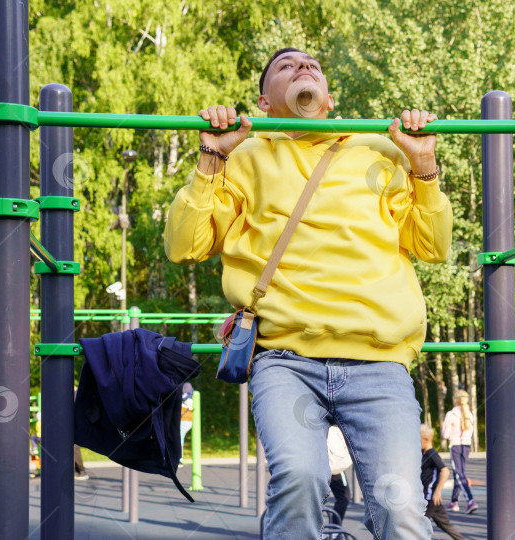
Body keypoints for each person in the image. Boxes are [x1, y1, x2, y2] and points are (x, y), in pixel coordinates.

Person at [165, 48, 452, 538]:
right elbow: (183, 246)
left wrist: (422, 163)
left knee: (401, 506)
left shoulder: (378, 150)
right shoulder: (246, 156)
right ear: (265, 100)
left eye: (313, 65)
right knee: (300, 481)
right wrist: (212, 155)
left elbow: (433, 246)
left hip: (378, 359)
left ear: (328, 98)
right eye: (286, 66)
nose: (303, 68)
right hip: (285, 356)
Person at [420, 424, 466, 540]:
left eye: (418, 439)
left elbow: (445, 471)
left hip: (431, 497)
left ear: (426, 439)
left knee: (419, 525)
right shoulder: (423, 453)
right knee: (444, 524)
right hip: (430, 498)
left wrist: (437, 492)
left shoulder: (432, 454)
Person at [442, 389, 478, 514]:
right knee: (459, 473)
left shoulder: (451, 414)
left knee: (458, 474)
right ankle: (454, 502)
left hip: (455, 445)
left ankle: (470, 500)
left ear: (455, 400)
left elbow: (445, 434)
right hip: (466, 445)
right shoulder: (469, 414)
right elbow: (471, 432)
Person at [327, 425, 352, 525]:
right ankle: (334, 529)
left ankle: (332, 529)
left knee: (315, 498)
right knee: (344, 497)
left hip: (325, 464)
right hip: (333, 465)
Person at [180, 382, 194, 463]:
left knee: (179, 437)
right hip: (184, 419)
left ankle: (179, 458)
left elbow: (185, 398)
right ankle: (178, 457)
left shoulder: (186, 386)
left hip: (185, 419)